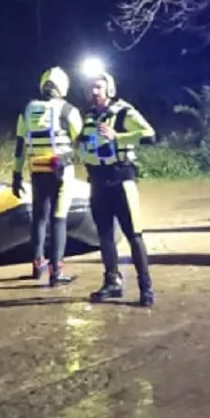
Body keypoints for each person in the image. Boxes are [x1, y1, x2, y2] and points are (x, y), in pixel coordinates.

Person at [75, 70, 158, 307]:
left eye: (98, 87)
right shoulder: (89, 116)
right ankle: (112, 282)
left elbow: (150, 136)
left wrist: (118, 137)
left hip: (121, 179)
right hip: (98, 181)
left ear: (109, 89)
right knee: (105, 235)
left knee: (134, 235)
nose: (94, 92)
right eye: (91, 87)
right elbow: (84, 143)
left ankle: (146, 287)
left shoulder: (124, 112)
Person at [12, 66, 83, 287]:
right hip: (61, 170)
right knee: (59, 217)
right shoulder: (68, 110)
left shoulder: (27, 110)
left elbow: (20, 145)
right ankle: (57, 271)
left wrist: (16, 174)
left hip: (36, 169)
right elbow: (82, 142)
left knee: (39, 218)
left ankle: (37, 265)